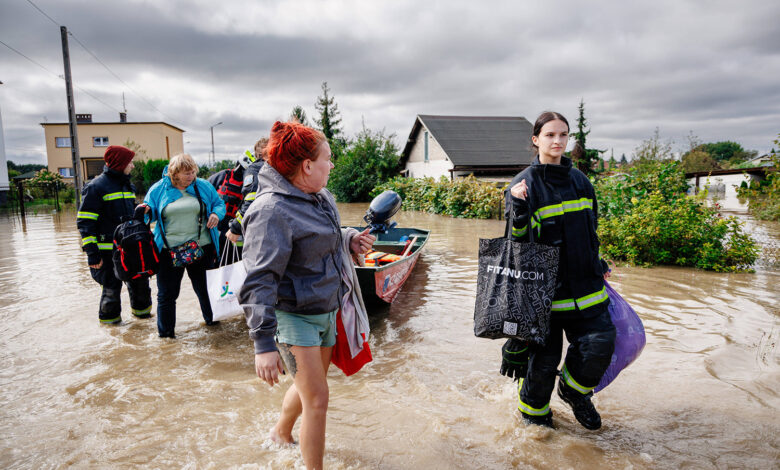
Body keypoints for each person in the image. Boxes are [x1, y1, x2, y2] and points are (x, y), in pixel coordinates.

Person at [238, 121, 374, 470]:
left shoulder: (321, 196)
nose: (333, 165)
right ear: (307, 166)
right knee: (318, 400)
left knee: (309, 388)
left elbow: (322, 237)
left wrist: (348, 239)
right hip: (292, 316)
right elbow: (258, 281)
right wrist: (263, 345)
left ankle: (280, 433)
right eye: (328, 158)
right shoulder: (270, 211)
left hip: (325, 308)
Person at [500, 111, 616, 430]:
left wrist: (599, 263)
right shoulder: (522, 185)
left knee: (602, 342)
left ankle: (574, 393)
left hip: (586, 287)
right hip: (545, 297)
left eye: (563, 135)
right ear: (536, 140)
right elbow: (516, 248)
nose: (558, 141)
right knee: (542, 365)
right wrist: (520, 208)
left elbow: (591, 231)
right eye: (550, 135)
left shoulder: (581, 181)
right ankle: (536, 426)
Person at [143, 153, 226, 338]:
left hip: (202, 248)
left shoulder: (202, 186)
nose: (191, 176)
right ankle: (166, 337)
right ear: (175, 173)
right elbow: (148, 215)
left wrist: (216, 214)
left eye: (193, 172)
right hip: (168, 251)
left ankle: (214, 330)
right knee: (166, 295)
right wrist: (145, 212)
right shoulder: (159, 189)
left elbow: (219, 204)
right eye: (186, 173)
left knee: (205, 291)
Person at [77, 145, 152, 324]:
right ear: (120, 163)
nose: (133, 166)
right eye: (130, 162)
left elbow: (126, 214)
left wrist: (139, 211)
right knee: (111, 291)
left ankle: (144, 325)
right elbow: (85, 223)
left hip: (130, 249)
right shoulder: (95, 187)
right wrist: (92, 255)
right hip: (106, 252)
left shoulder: (128, 185)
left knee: (141, 287)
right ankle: (112, 332)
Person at [207, 149, 256, 263]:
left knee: (236, 259)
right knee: (216, 259)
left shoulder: (251, 183)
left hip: (237, 226)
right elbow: (205, 193)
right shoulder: (222, 176)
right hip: (217, 224)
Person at [225, 138, 268, 246]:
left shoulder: (255, 169)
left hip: (264, 228)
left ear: (258, 154)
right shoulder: (287, 167)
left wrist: (235, 228)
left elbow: (251, 200)